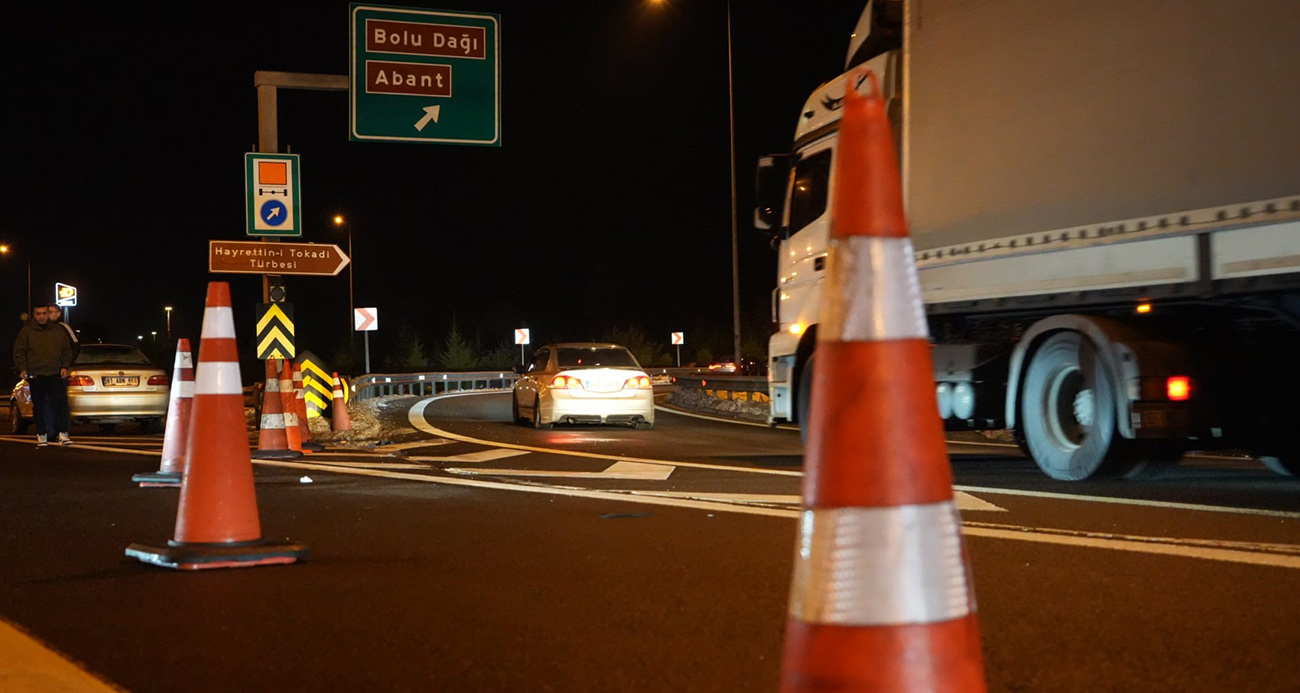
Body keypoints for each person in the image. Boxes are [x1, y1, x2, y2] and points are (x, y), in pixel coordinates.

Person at [13, 304, 74, 447]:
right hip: (36, 374)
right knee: (39, 405)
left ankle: (63, 433)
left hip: (55, 373)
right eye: (38, 314)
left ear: (48, 314)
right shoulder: (27, 332)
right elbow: (19, 352)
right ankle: (41, 434)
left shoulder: (58, 330)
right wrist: (23, 368)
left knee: (59, 404)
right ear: (34, 315)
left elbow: (67, 350)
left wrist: (65, 366)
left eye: (44, 313)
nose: (41, 317)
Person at [48, 304, 79, 439]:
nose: (49, 315)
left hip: (59, 371)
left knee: (60, 401)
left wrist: (66, 365)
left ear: (59, 314)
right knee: (44, 401)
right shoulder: (36, 329)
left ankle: (62, 431)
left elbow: (75, 346)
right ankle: (48, 431)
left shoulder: (63, 328)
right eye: (48, 312)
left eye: (52, 312)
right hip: (42, 371)